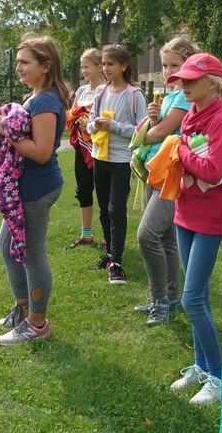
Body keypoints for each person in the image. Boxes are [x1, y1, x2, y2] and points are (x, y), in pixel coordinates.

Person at [165, 52, 222, 405]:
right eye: (181, 80)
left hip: (209, 219)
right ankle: (200, 365)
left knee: (191, 299)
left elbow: (212, 170)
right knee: (200, 297)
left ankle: (219, 377)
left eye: (190, 80)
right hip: (185, 213)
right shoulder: (191, 117)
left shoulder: (221, 121)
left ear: (213, 84)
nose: (183, 85)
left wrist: (179, 151)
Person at [0, 34, 71, 345]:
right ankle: (24, 311)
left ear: (45, 66)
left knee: (31, 254)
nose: (19, 68)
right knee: (6, 246)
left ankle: (36, 324)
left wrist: (5, 131)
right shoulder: (34, 98)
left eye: (25, 62)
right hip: (26, 187)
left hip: (37, 189)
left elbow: (41, 152)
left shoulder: (46, 102)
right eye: (18, 62)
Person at [133, 36, 198, 326]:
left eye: (175, 65)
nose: (168, 71)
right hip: (156, 169)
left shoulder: (184, 95)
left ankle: (159, 299)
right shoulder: (172, 94)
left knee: (147, 236)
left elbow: (162, 133)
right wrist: (153, 117)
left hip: (171, 173)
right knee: (166, 239)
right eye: (164, 65)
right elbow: (159, 126)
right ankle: (170, 298)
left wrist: (138, 137)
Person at [86, 44, 147, 284]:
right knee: (103, 209)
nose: (105, 68)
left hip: (121, 160)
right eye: (103, 63)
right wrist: (95, 125)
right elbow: (89, 124)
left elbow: (141, 130)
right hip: (99, 157)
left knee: (116, 209)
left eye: (110, 64)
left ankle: (117, 263)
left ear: (124, 66)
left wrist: (114, 126)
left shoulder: (134, 94)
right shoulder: (101, 92)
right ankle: (111, 253)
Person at [67, 48, 105, 249]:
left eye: (87, 66)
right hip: (81, 148)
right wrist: (77, 117)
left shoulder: (106, 90)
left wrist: (89, 120)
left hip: (100, 147)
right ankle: (86, 234)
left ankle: (109, 235)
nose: (84, 71)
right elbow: (73, 113)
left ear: (100, 67)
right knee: (83, 189)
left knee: (104, 192)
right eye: (82, 67)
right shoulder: (81, 91)